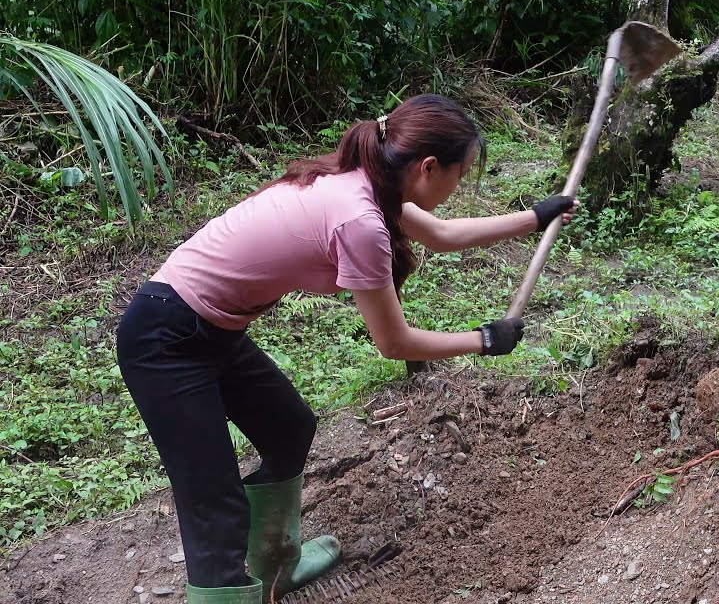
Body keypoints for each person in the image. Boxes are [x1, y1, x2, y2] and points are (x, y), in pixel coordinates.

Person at [116, 94, 577, 603]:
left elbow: (442, 235)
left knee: (288, 426)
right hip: (166, 336)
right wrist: (484, 341)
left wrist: (535, 217)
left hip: (210, 327)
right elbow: (394, 342)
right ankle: (225, 592)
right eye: (460, 174)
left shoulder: (371, 186)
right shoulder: (359, 221)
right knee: (213, 499)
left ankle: (273, 565)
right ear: (428, 167)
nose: (459, 186)